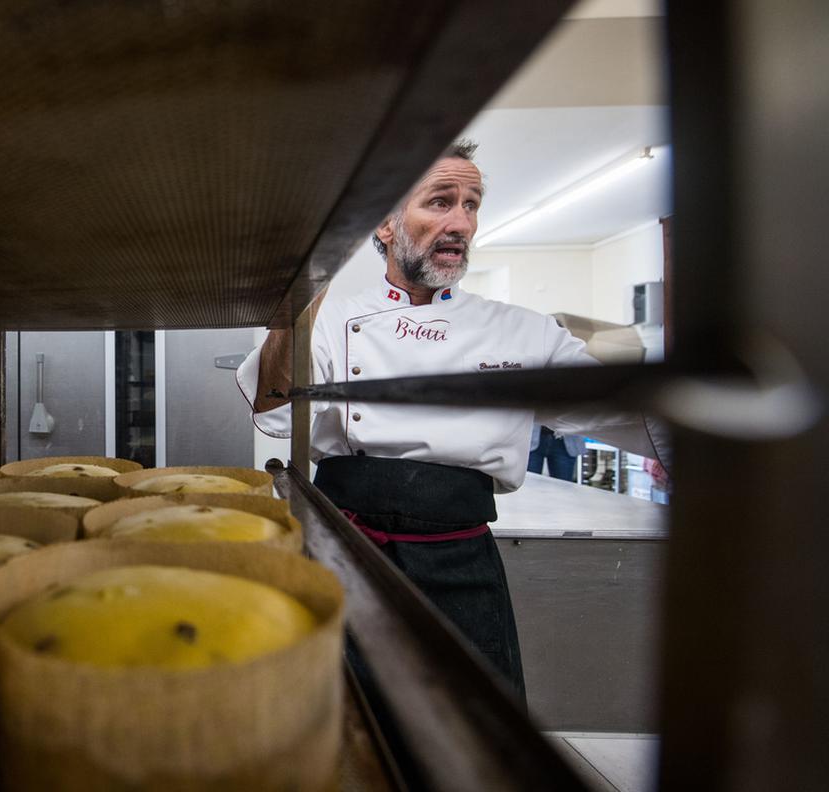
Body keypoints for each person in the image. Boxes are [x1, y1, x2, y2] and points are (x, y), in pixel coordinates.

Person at [236, 140, 666, 699]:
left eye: (471, 204)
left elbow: (626, 413)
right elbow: (270, 401)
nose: (461, 222)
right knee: (342, 718)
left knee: (476, 717)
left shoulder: (523, 332)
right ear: (386, 226)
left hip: (461, 555)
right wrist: (306, 285)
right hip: (345, 549)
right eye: (440, 201)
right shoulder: (333, 317)